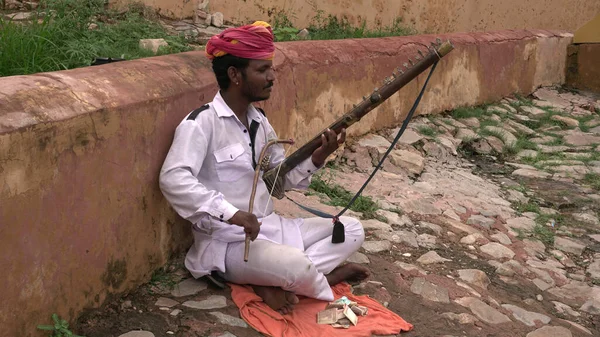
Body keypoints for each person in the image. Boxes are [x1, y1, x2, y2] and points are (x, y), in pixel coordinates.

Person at [159, 21, 369, 314]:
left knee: (351, 229)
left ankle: (274, 280)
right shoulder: (201, 123)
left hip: (270, 228)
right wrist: (232, 214)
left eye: (270, 69)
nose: (272, 77)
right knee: (295, 264)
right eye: (261, 70)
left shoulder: (261, 123)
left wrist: (318, 157)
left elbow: (277, 183)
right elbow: (173, 179)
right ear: (235, 74)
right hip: (230, 243)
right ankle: (326, 277)